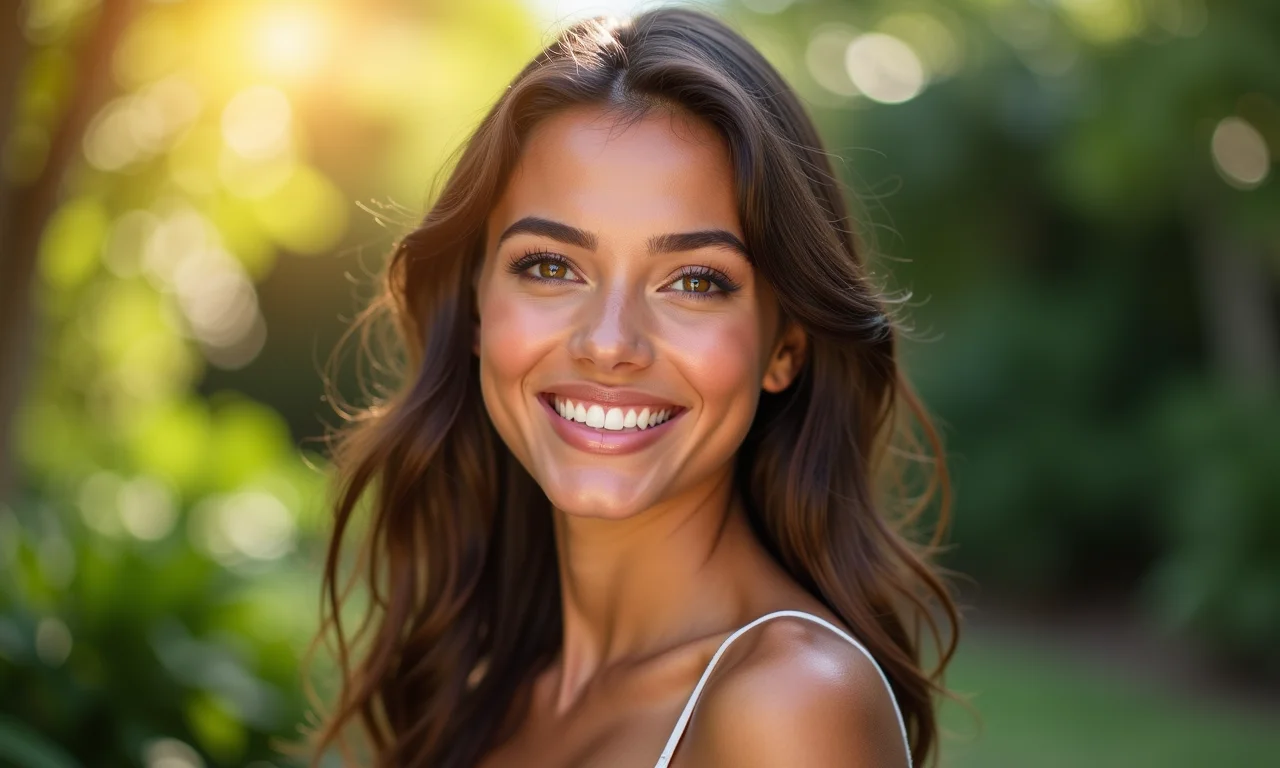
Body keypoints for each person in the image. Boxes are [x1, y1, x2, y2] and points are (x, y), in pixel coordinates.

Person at [303, 7, 960, 767]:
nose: (610, 343)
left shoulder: (792, 704)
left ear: (784, 348)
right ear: (477, 305)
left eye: (695, 281)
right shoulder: (487, 686)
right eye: (551, 266)